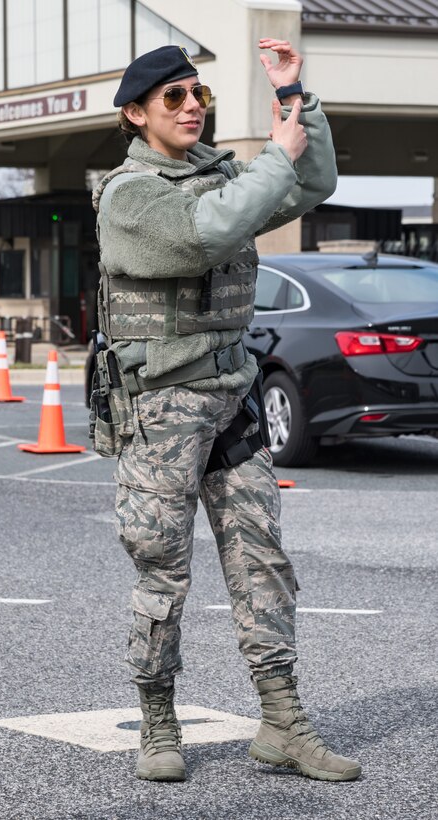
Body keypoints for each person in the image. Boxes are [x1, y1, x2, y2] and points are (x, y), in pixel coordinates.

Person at [91, 41, 361, 783]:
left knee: (262, 562)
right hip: (163, 410)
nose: (190, 107)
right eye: (171, 98)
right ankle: (156, 722)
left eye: (197, 93)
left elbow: (314, 180)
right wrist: (273, 155)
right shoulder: (129, 195)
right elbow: (205, 232)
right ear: (135, 114)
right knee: (162, 571)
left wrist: (292, 94)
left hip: (231, 400)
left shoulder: (222, 174)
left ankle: (283, 723)